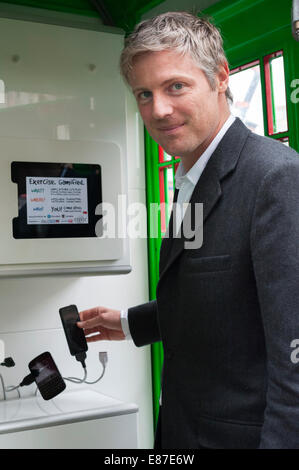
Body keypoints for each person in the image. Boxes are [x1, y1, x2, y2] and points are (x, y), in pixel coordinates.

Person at [77, 11, 299, 449]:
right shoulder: (191, 176)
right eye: (144, 94)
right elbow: (221, 300)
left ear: (220, 77)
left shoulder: (277, 179)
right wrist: (126, 322)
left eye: (175, 86)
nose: (158, 110)